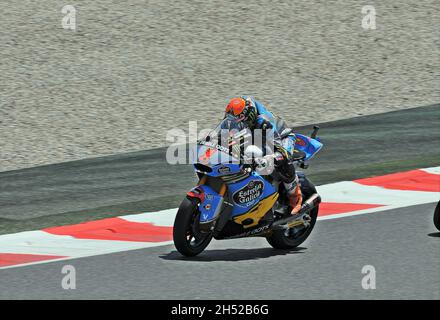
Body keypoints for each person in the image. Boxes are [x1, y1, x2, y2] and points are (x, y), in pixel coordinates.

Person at [224, 96, 302, 215]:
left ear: (248, 117)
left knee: (280, 159)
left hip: (280, 139)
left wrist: (264, 158)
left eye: (237, 120)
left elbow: (270, 148)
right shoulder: (235, 114)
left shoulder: (264, 122)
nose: (233, 123)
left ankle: (295, 197)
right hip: (255, 135)